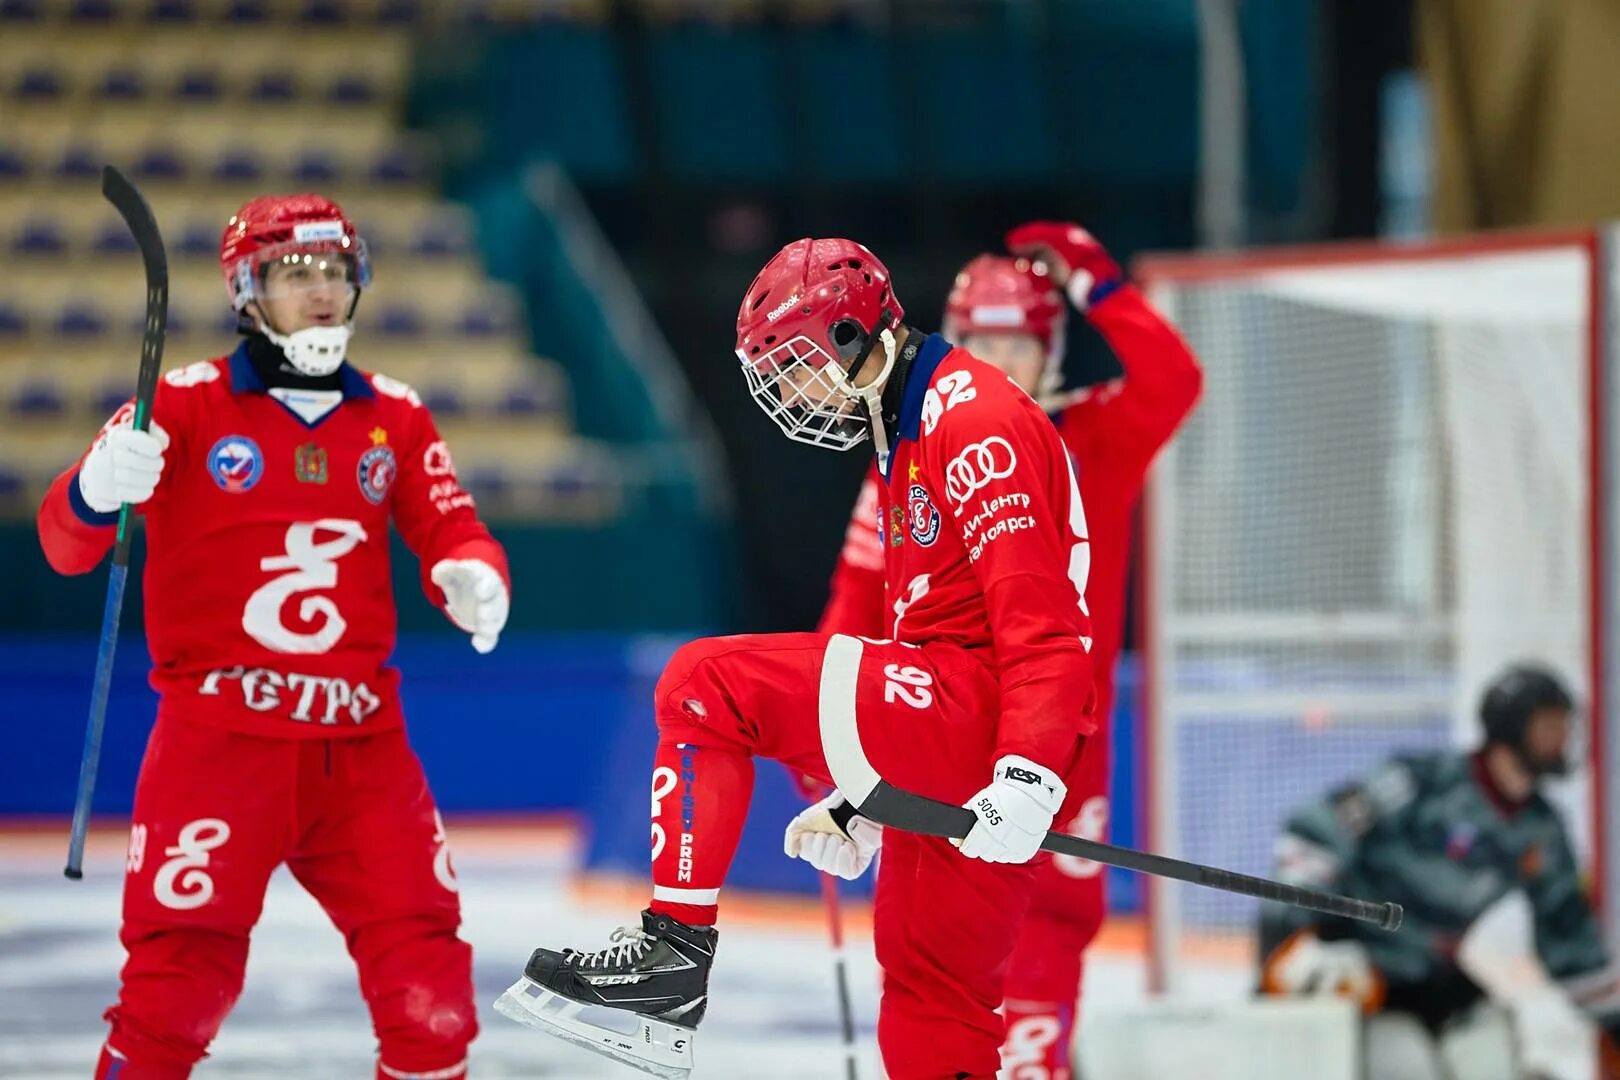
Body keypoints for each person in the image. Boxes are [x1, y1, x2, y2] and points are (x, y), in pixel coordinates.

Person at [496, 237, 1095, 1080]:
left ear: (853, 336)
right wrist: (866, 801)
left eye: (796, 363)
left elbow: (1043, 629)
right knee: (936, 993)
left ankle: (669, 960)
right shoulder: (910, 419)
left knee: (701, 683)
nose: (788, 391)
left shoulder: (974, 420)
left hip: (980, 716)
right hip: (969, 729)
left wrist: (1027, 774)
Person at [38, 194, 511, 1080]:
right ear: (246, 289)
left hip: (362, 751)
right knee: (174, 993)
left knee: (431, 991)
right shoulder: (178, 404)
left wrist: (475, 572)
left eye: (336, 270)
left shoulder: (397, 414)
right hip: (218, 748)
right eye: (296, 271)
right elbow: (64, 547)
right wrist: (96, 486)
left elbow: (456, 526)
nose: (323, 290)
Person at [810, 222, 1202, 1079]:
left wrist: (1098, 280)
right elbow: (854, 599)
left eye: (1017, 344)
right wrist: (828, 733)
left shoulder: (1100, 436)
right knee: (929, 970)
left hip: (1060, 750)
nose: (997, 361)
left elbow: (1175, 378)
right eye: (980, 341)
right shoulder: (907, 451)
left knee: (1041, 960)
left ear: (1053, 350)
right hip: (940, 739)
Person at [1257, 664, 1620, 1080]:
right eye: (1550, 724)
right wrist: (1294, 933)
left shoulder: (1542, 830)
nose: (1563, 738)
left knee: (1494, 1066)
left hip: (1440, 982)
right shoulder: (1419, 783)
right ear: (1511, 726)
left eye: (1566, 725)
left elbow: (1569, 934)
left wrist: (1614, 1023)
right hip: (1368, 976)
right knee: (1406, 1067)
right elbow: (1316, 831)